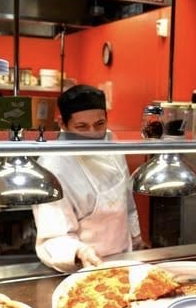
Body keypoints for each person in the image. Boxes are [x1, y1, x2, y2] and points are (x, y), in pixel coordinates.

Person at [32, 84, 144, 272]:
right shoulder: (52, 166)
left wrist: (136, 235)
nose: (93, 134)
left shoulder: (110, 141)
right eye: (82, 127)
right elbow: (53, 237)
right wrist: (80, 252)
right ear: (63, 124)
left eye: (100, 124)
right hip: (83, 266)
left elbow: (126, 200)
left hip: (123, 257)